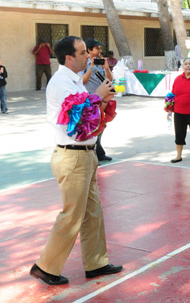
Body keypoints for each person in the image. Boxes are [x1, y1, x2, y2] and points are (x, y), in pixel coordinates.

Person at [30, 36, 122, 285]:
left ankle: (96, 262)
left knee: (92, 211)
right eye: (82, 53)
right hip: (72, 156)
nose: (88, 56)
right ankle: (45, 266)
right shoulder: (62, 83)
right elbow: (77, 120)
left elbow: (89, 118)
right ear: (68, 58)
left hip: (84, 154)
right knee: (72, 214)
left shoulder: (73, 81)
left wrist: (101, 99)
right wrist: (98, 96)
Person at [81, 38, 114, 162]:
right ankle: (94, 155)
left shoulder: (101, 62)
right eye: (97, 48)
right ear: (89, 50)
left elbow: (109, 80)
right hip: (90, 98)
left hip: (102, 99)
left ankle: (99, 152)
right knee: (93, 127)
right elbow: (82, 80)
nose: (100, 50)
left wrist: (106, 68)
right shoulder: (84, 64)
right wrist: (91, 67)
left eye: (100, 47)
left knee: (101, 125)